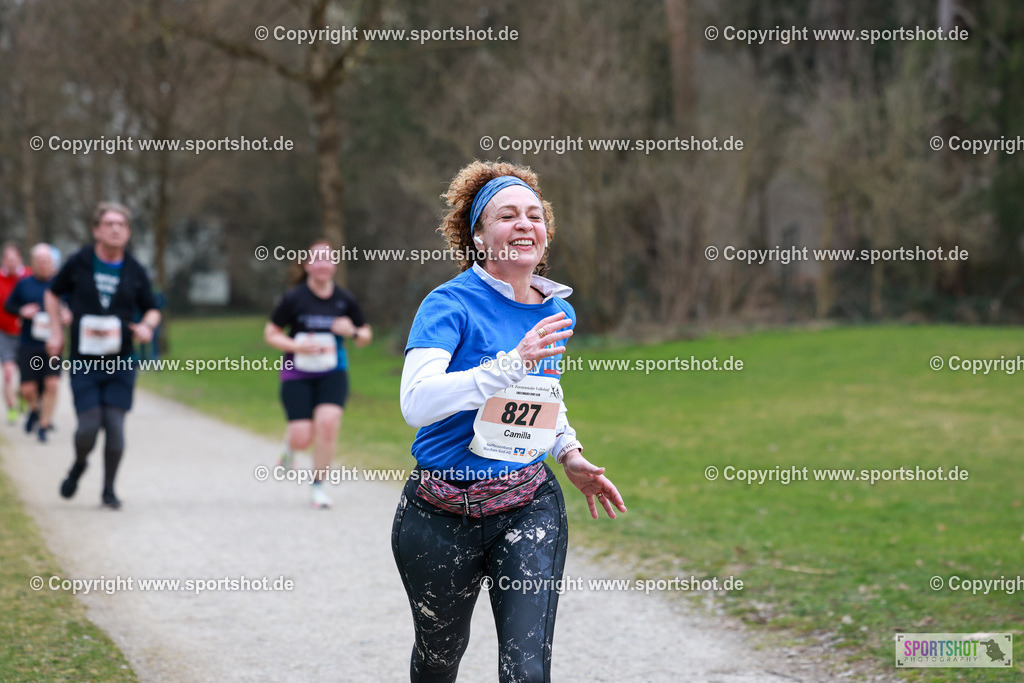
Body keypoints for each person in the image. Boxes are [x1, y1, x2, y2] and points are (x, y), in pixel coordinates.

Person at [393, 161, 627, 682]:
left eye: (534, 215)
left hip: (527, 504)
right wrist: (508, 364)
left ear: (546, 233)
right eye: (507, 215)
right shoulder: (448, 304)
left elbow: (543, 395)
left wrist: (568, 451)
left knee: (527, 670)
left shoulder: (557, 311)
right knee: (438, 660)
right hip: (439, 513)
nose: (525, 223)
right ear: (478, 236)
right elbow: (416, 403)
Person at [45, 202, 161, 510]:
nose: (115, 229)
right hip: (85, 361)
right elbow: (52, 294)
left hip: (120, 361)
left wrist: (147, 326)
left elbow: (152, 308)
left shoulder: (135, 270)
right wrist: (56, 332)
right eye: (109, 223)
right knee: (88, 428)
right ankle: (79, 464)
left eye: (121, 224)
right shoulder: (79, 262)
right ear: (96, 230)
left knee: (115, 428)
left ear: (128, 232)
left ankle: (109, 490)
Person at [264, 240, 372, 509]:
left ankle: (318, 488)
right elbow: (271, 333)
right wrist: (296, 346)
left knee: (328, 424)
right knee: (302, 437)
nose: (323, 264)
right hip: (297, 373)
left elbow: (365, 335)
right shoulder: (294, 298)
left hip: (332, 372)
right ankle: (290, 448)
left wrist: (352, 332)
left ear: (334, 264)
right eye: (317, 259)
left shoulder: (344, 299)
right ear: (307, 265)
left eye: (328, 259)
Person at [4, 244, 68, 441]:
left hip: (53, 344)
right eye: (39, 261)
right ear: (33, 263)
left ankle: (43, 425)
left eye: (46, 261)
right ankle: (35, 409)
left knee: (52, 384)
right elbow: (9, 305)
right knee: (27, 389)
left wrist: (67, 314)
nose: (43, 265)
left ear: (52, 263)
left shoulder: (61, 284)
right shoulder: (24, 284)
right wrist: (22, 311)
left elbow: (72, 307)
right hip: (29, 343)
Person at [0, 242, 30, 424]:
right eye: (7, 259)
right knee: (8, 372)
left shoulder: (28, 275)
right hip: (4, 333)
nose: (11, 262)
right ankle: (11, 408)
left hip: (26, 333)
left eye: (14, 259)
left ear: (20, 259)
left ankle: (22, 396)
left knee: (26, 374)